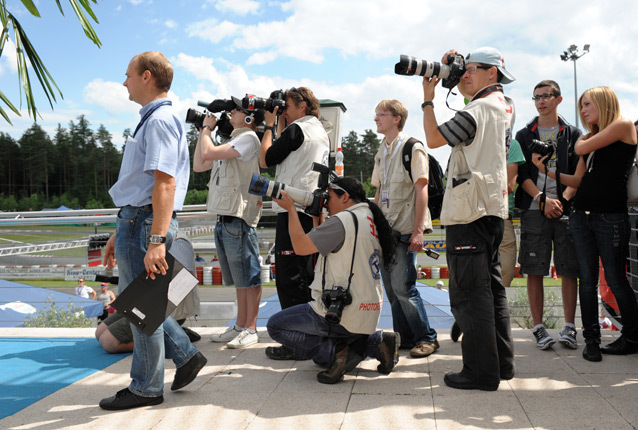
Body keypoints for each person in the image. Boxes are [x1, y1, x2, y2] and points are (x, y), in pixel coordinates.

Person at [99, 51, 207, 411]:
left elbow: (164, 184)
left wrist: (156, 241)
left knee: (140, 311)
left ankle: (146, 388)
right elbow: (142, 186)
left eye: (128, 75)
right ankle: (186, 356)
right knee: (142, 305)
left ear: (146, 77)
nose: (123, 82)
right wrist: (121, 229)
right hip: (138, 220)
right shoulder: (156, 119)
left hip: (146, 223)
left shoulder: (159, 120)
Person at [422, 46, 515, 391]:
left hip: (468, 212)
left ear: (493, 73)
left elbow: (433, 139)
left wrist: (428, 99)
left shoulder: (479, 109)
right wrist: (457, 70)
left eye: (472, 70)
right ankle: (501, 365)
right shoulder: (503, 104)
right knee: (492, 292)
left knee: (469, 295)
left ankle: (480, 372)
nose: (464, 76)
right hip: (492, 210)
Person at [532, 86, 638, 362]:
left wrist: (582, 141)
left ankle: (632, 336)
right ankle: (592, 339)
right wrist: (546, 170)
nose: (583, 110)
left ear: (604, 103)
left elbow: (578, 145)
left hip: (611, 217)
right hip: (581, 216)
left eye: (587, 104)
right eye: (581, 105)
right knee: (587, 281)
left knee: (616, 280)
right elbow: (578, 181)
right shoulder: (592, 138)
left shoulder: (622, 126)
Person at [266, 177, 400, 383]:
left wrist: (291, 210)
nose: (325, 202)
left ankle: (343, 352)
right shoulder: (368, 217)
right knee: (319, 337)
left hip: (342, 310)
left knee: (276, 325)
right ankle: (374, 342)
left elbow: (301, 247)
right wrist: (316, 218)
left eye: (329, 197)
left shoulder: (343, 221)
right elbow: (330, 246)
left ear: (345, 197)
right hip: (367, 308)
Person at [260, 87, 330, 360]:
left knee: (289, 279)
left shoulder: (296, 129)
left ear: (302, 106)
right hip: (310, 209)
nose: (284, 110)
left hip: (292, 208)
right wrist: (281, 122)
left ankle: (297, 343)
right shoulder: (319, 130)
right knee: (306, 277)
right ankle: (311, 338)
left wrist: (268, 125)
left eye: (286, 105)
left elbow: (266, 158)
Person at [193, 97, 265, 349]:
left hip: (239, 216)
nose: (231, 112)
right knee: (238, 277)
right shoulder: (232, 141)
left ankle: (251, 328)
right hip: (224, 215)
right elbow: (200, 163)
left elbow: (208, 152)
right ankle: (240, 325)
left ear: (249, 118)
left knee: (249, 275)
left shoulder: (248, 138)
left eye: (237, 109)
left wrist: (206, 129)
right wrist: (202, 131)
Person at [515, 80, 581, 351]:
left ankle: (569, 326)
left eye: (546, 96)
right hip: (534, 209)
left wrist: (561, 202)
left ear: (558, 99)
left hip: (566, 209)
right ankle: (539, 328)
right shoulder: (523, 135)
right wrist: (541, 199)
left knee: (568, 269)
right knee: (534, 269)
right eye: (536, 97)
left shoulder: (573, 134)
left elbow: (580, 175)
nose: (541, 101)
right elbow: (521, 175)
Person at [371, 99, 438, 358]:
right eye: (376, 115)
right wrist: (374, 226)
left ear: (396, 118)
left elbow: (422, 189)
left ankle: (427, 338)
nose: (376, 119)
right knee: (391, 290)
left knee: (403, 288)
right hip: (387, 230)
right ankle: (404, 338)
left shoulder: (413, 147)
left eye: (381, 115)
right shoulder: (382, 149)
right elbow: (378, 192)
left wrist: (419, 231)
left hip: (407, 228)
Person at [500, 138, 525, 288]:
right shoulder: (474, 141)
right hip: (476, 218)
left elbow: (509, 185)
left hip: (502, 216)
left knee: (506, 273)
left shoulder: (510, 144)